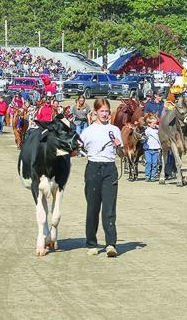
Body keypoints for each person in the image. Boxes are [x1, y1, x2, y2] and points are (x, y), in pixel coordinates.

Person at [78, 98, 123, 258]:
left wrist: (118, 146)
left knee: (109, 209)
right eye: (102, 111)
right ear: (95, 112)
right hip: (93, 168)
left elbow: (121, 154)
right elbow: (77, 148)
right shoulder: (88, 131)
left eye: (107, 111)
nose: (105, 114)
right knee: (93, 208)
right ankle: (91, 243)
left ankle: (111, 244)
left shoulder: (115, 130)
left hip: (110, 168)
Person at [143, 113, 162, 182]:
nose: (155, 125)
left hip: (156, 150)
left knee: (154, 163)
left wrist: (158, 126)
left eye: (155, 123)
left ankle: (153, 176)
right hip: (148, 150)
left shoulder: (157, 131)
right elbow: (145, 135)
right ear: (149, 124)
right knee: (148, 162)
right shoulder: (147, 130)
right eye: (153, 123)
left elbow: (161, 132)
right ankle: (147, 175)